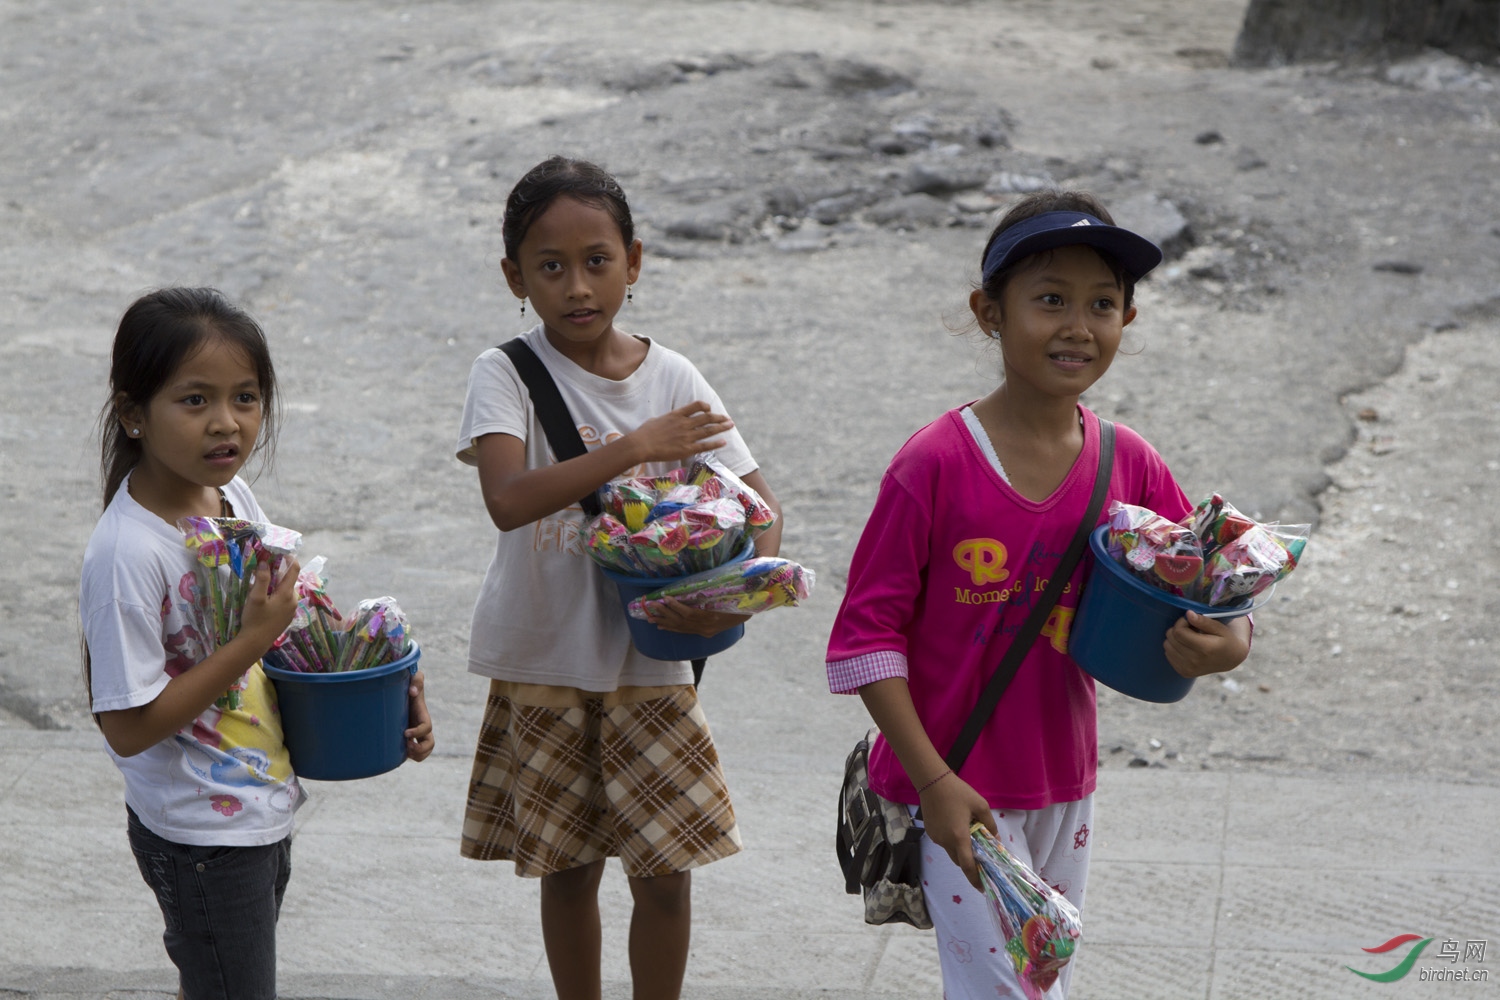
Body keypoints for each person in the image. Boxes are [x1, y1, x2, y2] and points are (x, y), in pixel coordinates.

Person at [824, 192, 1250, 999]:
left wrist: (1231, 642)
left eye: (1102, 304)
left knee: (1038, 977)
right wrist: (934, 783)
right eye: (1049, 298)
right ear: (989, 312)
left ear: (1130, 317)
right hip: (959, 788)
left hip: (1067, 785)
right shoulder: (935, 464)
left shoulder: (1130, 464)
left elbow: (1215, 581)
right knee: (1004, 990)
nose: (1077, 326)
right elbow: (864, 643)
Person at [454, 155, 782, 1000]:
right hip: (545, 658)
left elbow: (763, 510)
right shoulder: (506, 374)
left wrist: (723, 593)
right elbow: (507, 498)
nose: (576, 286)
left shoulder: (673, 378)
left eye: (597, 261)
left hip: (652, 663)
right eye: (549, 267)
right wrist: (635, 448)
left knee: (666, 871)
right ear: (514, 277)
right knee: (566, 869)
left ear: (634, 262)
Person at [79, 287, 435, 1000]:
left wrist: (390, 689)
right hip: (199, 835)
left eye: (246, 398)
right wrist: (249, 641)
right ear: (132, 414)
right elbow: (126, 726)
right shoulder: (126, 556)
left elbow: (282, 636)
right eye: (195, 401)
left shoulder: (231, 501)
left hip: (256, 805)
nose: (227, 424)